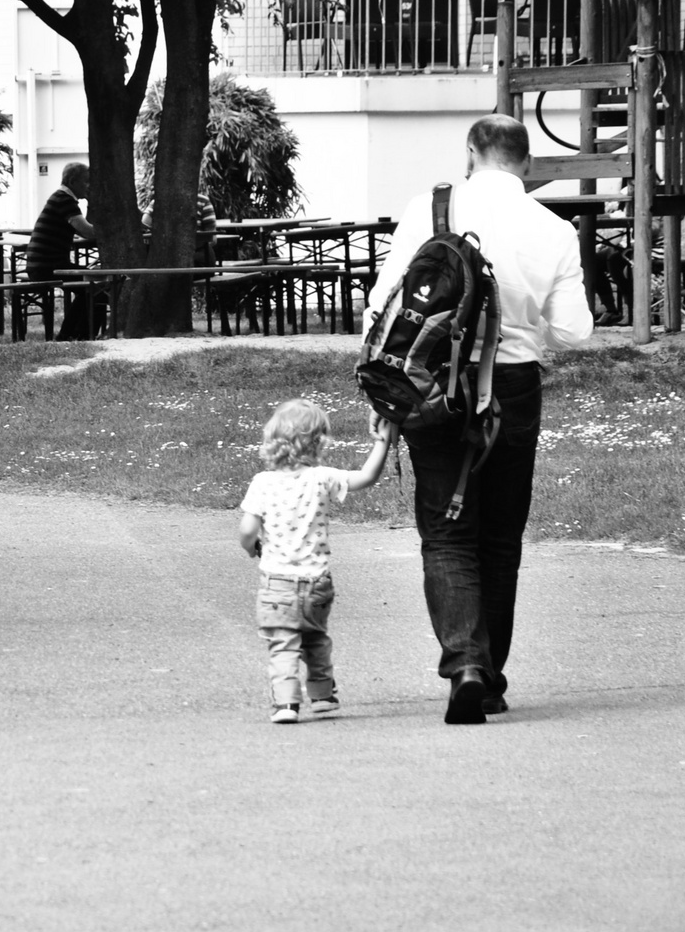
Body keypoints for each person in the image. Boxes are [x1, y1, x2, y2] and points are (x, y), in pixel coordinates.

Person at [364, 114, 593, 725]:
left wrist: (384, 399)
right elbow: (575, 331)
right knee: (499, 535)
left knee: (446, 530)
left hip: (433, 385)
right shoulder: (553, 228)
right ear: (529, 164)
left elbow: (384, 306)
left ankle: (464, 662)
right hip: (513, 388)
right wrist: (519, 320)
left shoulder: (428, 209)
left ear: (471, 153)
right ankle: (488, 681)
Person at [239, 398, 394, 725]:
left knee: (282, 644)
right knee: (316, 638)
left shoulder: (262, 483)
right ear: (318, 441)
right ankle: (322, 697)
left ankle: (286, 704)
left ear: (273, 439)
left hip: (276, 584)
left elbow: (248, 530)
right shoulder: (323, 477)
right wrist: (382, 441)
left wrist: (252, 546)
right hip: (318, 582)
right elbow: (366, 477)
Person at [25, 162, 104, 340]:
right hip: (47, 266)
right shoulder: (64, 200)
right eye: (86, 181)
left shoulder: (61, 198)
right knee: (98, 286)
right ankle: (80, 336)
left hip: (44, 264)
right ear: (72, 181)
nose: (89, 186)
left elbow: (84, 230)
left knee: (91, 285)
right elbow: (88, 232)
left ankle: (72, 334)